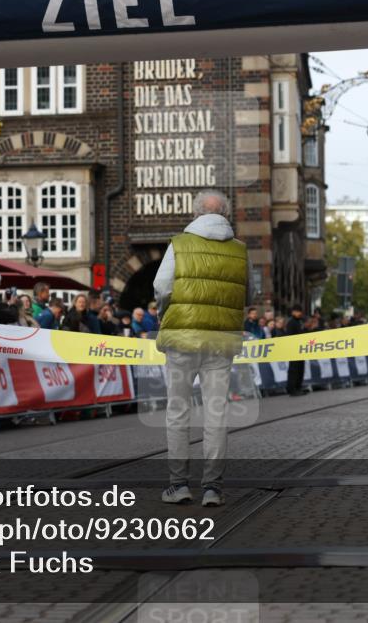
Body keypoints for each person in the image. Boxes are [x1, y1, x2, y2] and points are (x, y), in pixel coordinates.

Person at [154, 190, 252, 507]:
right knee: (216, 413)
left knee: (178, 411)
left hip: (182, 336)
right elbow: (247, 292)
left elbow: (161, 286)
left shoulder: (179, 244)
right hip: (221, 340)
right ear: (225, 213)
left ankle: (178, 484)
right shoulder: (240, 250)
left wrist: (163, 314)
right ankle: (212, 487)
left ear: (195, 213)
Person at [285, 305, 309, 396]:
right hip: (294, 349)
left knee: (300, 369)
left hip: (300, 349)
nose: (300, 313)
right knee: (294, 370)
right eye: (298, 312)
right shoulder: (291, 323)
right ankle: (292, 388)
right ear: (293, 312)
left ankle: (298, 386)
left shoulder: (299, 322)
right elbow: (290, 336)